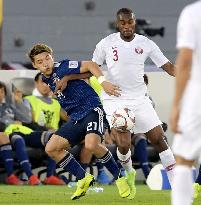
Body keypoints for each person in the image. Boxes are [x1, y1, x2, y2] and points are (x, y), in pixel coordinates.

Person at [27, 43, 130, 200]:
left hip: (91, 109)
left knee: (91, 145)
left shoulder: (62, 66)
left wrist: (103, 82)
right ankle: (84, 178)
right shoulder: (45, 79)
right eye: (40, 61)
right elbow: (84, 75)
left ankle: (120, 178)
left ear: (52, 57)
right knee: (52, 148)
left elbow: (90, 65)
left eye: (47, 58)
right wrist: (68, 79)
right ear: (34, 65)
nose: (45, 63)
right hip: (75, 118)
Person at [92, 8, 176, 199]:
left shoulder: (145, 43)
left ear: (134, 23)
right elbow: (92, 66)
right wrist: (102, 82)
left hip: (140, 98)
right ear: (117, 24)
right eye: (123, 23)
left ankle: (176, 183)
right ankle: (128, 172)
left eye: (130, 22)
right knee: (124, 143)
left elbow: (169, 67)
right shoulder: (106, 43)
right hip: (115, 98)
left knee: (159, 139)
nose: (127, 26)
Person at [170, 1, 201, 205]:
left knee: (183, 159)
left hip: (197, 97)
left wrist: (176, 104)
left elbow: (185, 61)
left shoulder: (193, 12)